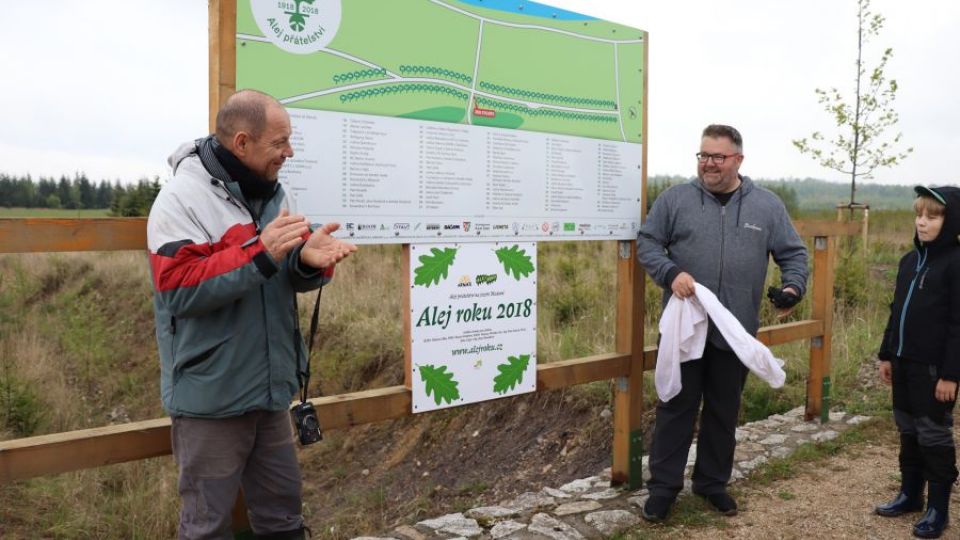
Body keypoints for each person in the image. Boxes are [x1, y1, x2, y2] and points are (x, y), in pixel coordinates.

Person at [147, 89, 357, 539]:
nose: (290, 151)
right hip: (212, 399)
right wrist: (259, 254)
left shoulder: (277, 194)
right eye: (279, 142)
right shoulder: (181, 199)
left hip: (270, 391)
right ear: (242, 143)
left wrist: (305, 263)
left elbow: (278, 275)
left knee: (283, 518)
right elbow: (179, 289)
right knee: (207, 526)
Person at [636, 124, 809, 522]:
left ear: (738, 160)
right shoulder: (675, 200)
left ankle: (712, 484)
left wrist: (793, 288)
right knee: (675, 407)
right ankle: (663, 489)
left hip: (735, 330)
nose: (708, 164)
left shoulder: (766, 206)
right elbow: (648, 241)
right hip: (684, 329)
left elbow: (793, 253)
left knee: (723, 410)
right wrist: (670, 272)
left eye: (718, 157)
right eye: (703, 156)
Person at [875, 186, 960, 539]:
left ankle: (937, 509)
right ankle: (911, 493)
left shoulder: (955, 264)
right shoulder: (909, 262)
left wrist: (951, 375)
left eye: (932, 216)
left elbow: (959, 325)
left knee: (933, 436)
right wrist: (886, 353)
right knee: (908, 430)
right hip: (903, 363)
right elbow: (897, 311)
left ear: (951, 220)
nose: (922, 222)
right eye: (919, 215)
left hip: (934, 371)